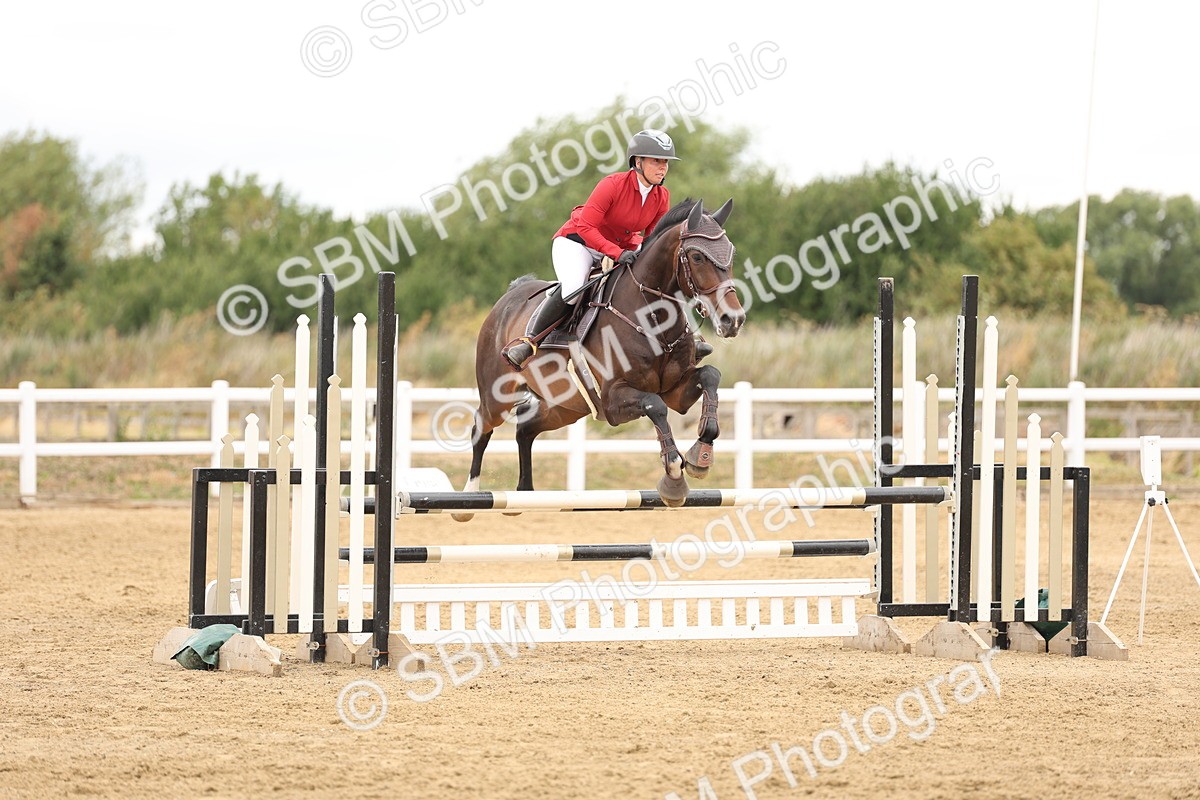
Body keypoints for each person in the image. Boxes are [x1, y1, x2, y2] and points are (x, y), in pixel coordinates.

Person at [501, 129, 679, 370]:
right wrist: (617, 253)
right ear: (638, 162)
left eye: (666, 162)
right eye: (656, 160)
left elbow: (652, 238)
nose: (663, 167)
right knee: (574, 289)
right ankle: (529, 341)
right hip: (578, 243)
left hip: (618, 246)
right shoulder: (612, 185)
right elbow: (586, 226)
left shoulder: (661, 196)